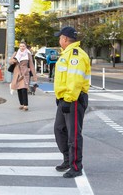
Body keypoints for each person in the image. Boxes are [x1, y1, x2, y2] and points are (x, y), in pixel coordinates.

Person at [53, 26, 91, 178]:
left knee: (73, 134)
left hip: (74, 99)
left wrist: (68, 99)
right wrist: (60, 96)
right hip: (65, 98)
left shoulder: (76, 55)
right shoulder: (66, 54)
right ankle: (68, 160)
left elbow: (75, 80)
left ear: (65, 39)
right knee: (59, 129)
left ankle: (76, 166)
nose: (59, 40)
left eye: (60, 37)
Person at [9, 41, 37, 111]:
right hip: (17, 73)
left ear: (25, 47)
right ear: (19, 47)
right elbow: (10, 61)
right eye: (21, 46)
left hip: (25, 73)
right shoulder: (16, 53)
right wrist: (14, 61)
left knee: (24, 88)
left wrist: (34, 75)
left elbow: (31, 65)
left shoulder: (28, 54)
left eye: (23, 46)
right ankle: (21, 104)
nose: (22, 47)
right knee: (19, 89)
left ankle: (25, 105)